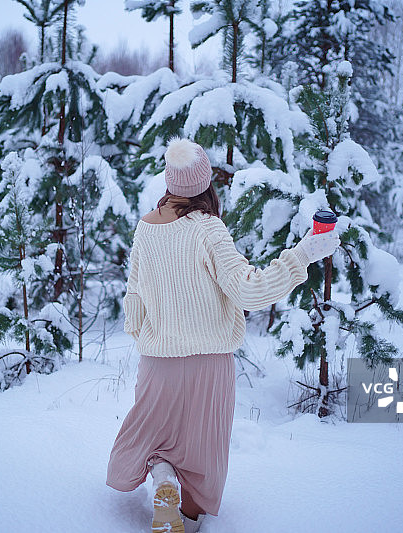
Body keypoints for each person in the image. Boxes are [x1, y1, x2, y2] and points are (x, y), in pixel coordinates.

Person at [106, 138, 341, 532]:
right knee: (201, 457)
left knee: (154, 437)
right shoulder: (208, 229)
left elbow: (134, 298)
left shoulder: (146, 228)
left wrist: (153, 336)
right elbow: (249, 289)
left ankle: (162, 478)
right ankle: (188, 518)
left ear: (169, 181)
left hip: (157, 363)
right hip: (209, 365)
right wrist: (302, 255)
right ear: (205, 183)